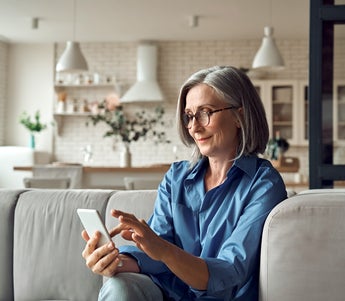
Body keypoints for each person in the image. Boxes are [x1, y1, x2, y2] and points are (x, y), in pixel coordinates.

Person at [81, 65, 287, 301]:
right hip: (168, 295)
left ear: (239, 116)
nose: (194, 127)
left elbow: (230, 272)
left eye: (205, 112)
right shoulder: (176, 178)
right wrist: (114, 261)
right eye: (189, 116)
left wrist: (163, 250)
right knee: (119, 286)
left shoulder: (263, 184)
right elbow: (155, 255)